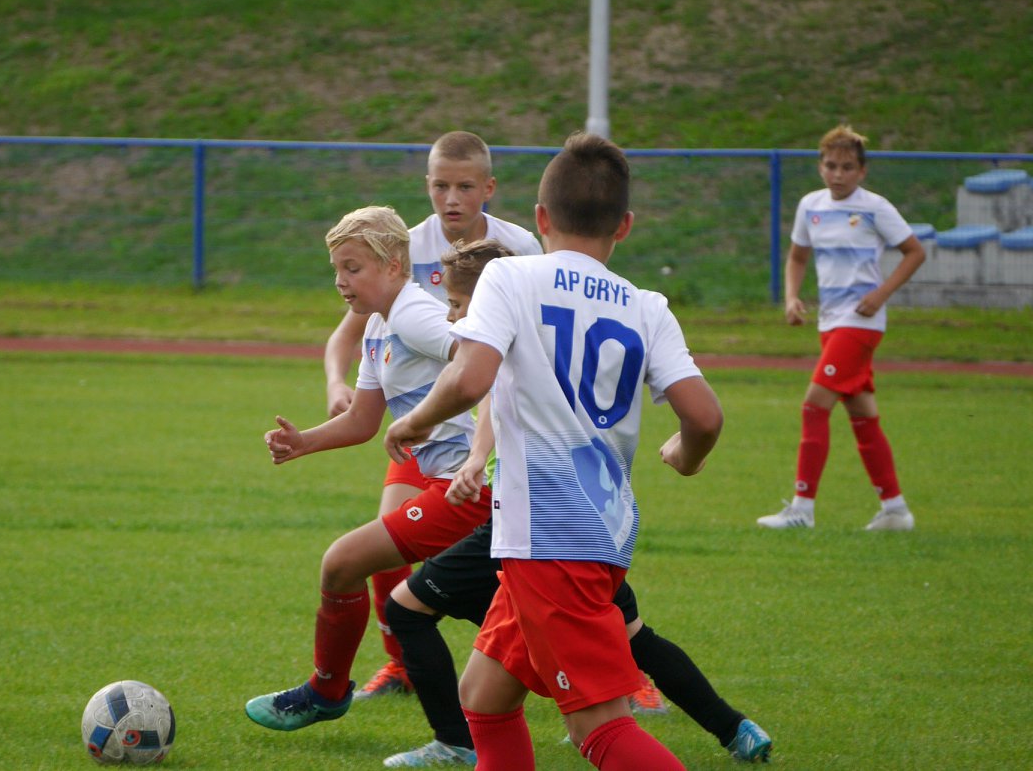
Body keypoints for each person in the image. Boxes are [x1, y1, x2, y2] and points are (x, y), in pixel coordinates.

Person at [385, 133, 725, 771]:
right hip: (596, 534)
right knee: (483, 697)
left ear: (540, 219)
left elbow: (470, 376)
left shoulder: (511, 276)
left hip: (549, 540)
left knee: (600, 728)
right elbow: (704, 415)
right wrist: (687, 453)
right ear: (623, 226)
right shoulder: (647, 306)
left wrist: (418, 422)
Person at [246, 205, 494, 732]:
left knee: (343, 563)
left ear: (394, 263)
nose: (340, 282)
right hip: (444, 481)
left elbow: (480, 358)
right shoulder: (381, 325)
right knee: (513, 614)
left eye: (352, 268)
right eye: (336, 270)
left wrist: (439, 424)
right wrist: (302, 443)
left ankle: (327, 691)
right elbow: (363, 419)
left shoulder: (413, 315)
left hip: (466, 485)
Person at [321, 131, 541, 702]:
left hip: (470, 431)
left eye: (464, 186)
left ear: (488, 189)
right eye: (440, 185)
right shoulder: (401, 245)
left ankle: (610, 661)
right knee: (390, 559)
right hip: (416, 434)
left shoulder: (519, 250)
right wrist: (337, 382)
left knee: (537, 566)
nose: (451, 198)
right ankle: (403, 668)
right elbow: (357, 328)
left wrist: (476, 447)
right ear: (427, 186)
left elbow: (491, 358)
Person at [757, 124, 926, 532]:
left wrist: (880, 295)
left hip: (860, 323)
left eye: (847, 167)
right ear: (820, 167)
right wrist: (791, 297)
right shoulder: (810, 206)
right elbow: (796, 258)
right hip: (830, 323)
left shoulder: (875, 208)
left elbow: (914, 252)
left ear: (862, 171)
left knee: (814, 404)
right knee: (864, 417)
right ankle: (896, 511)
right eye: (831, 165)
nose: (838, 174)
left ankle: (802, 507)